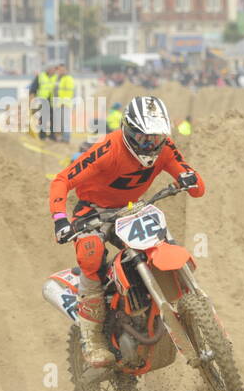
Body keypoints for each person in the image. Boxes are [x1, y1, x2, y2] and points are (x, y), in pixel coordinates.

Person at [48, 95, 206, 367]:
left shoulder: (165, 147)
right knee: (91, 254)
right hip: (94, 212)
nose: (150, 144)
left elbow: (197, 188)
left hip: (134, 208)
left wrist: (188, 177)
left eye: (155, 138)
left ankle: (188, 306)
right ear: (129, 131)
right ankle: (92, 339)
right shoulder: (108, 149)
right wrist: (61, 220)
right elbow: (62, 180)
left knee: (163, 242)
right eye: (144, 138)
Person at [54, 63, 76, 143]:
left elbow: (69, 92)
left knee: (66, 122)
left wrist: (63, 102)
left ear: (65, 70)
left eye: (62, 70)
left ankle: (66, 139)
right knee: (60, 123)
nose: (60, 71)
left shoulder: (67, 78)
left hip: (65, 104)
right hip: (59, 103)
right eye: (59, 70)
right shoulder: (58, 78)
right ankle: (61, 138)